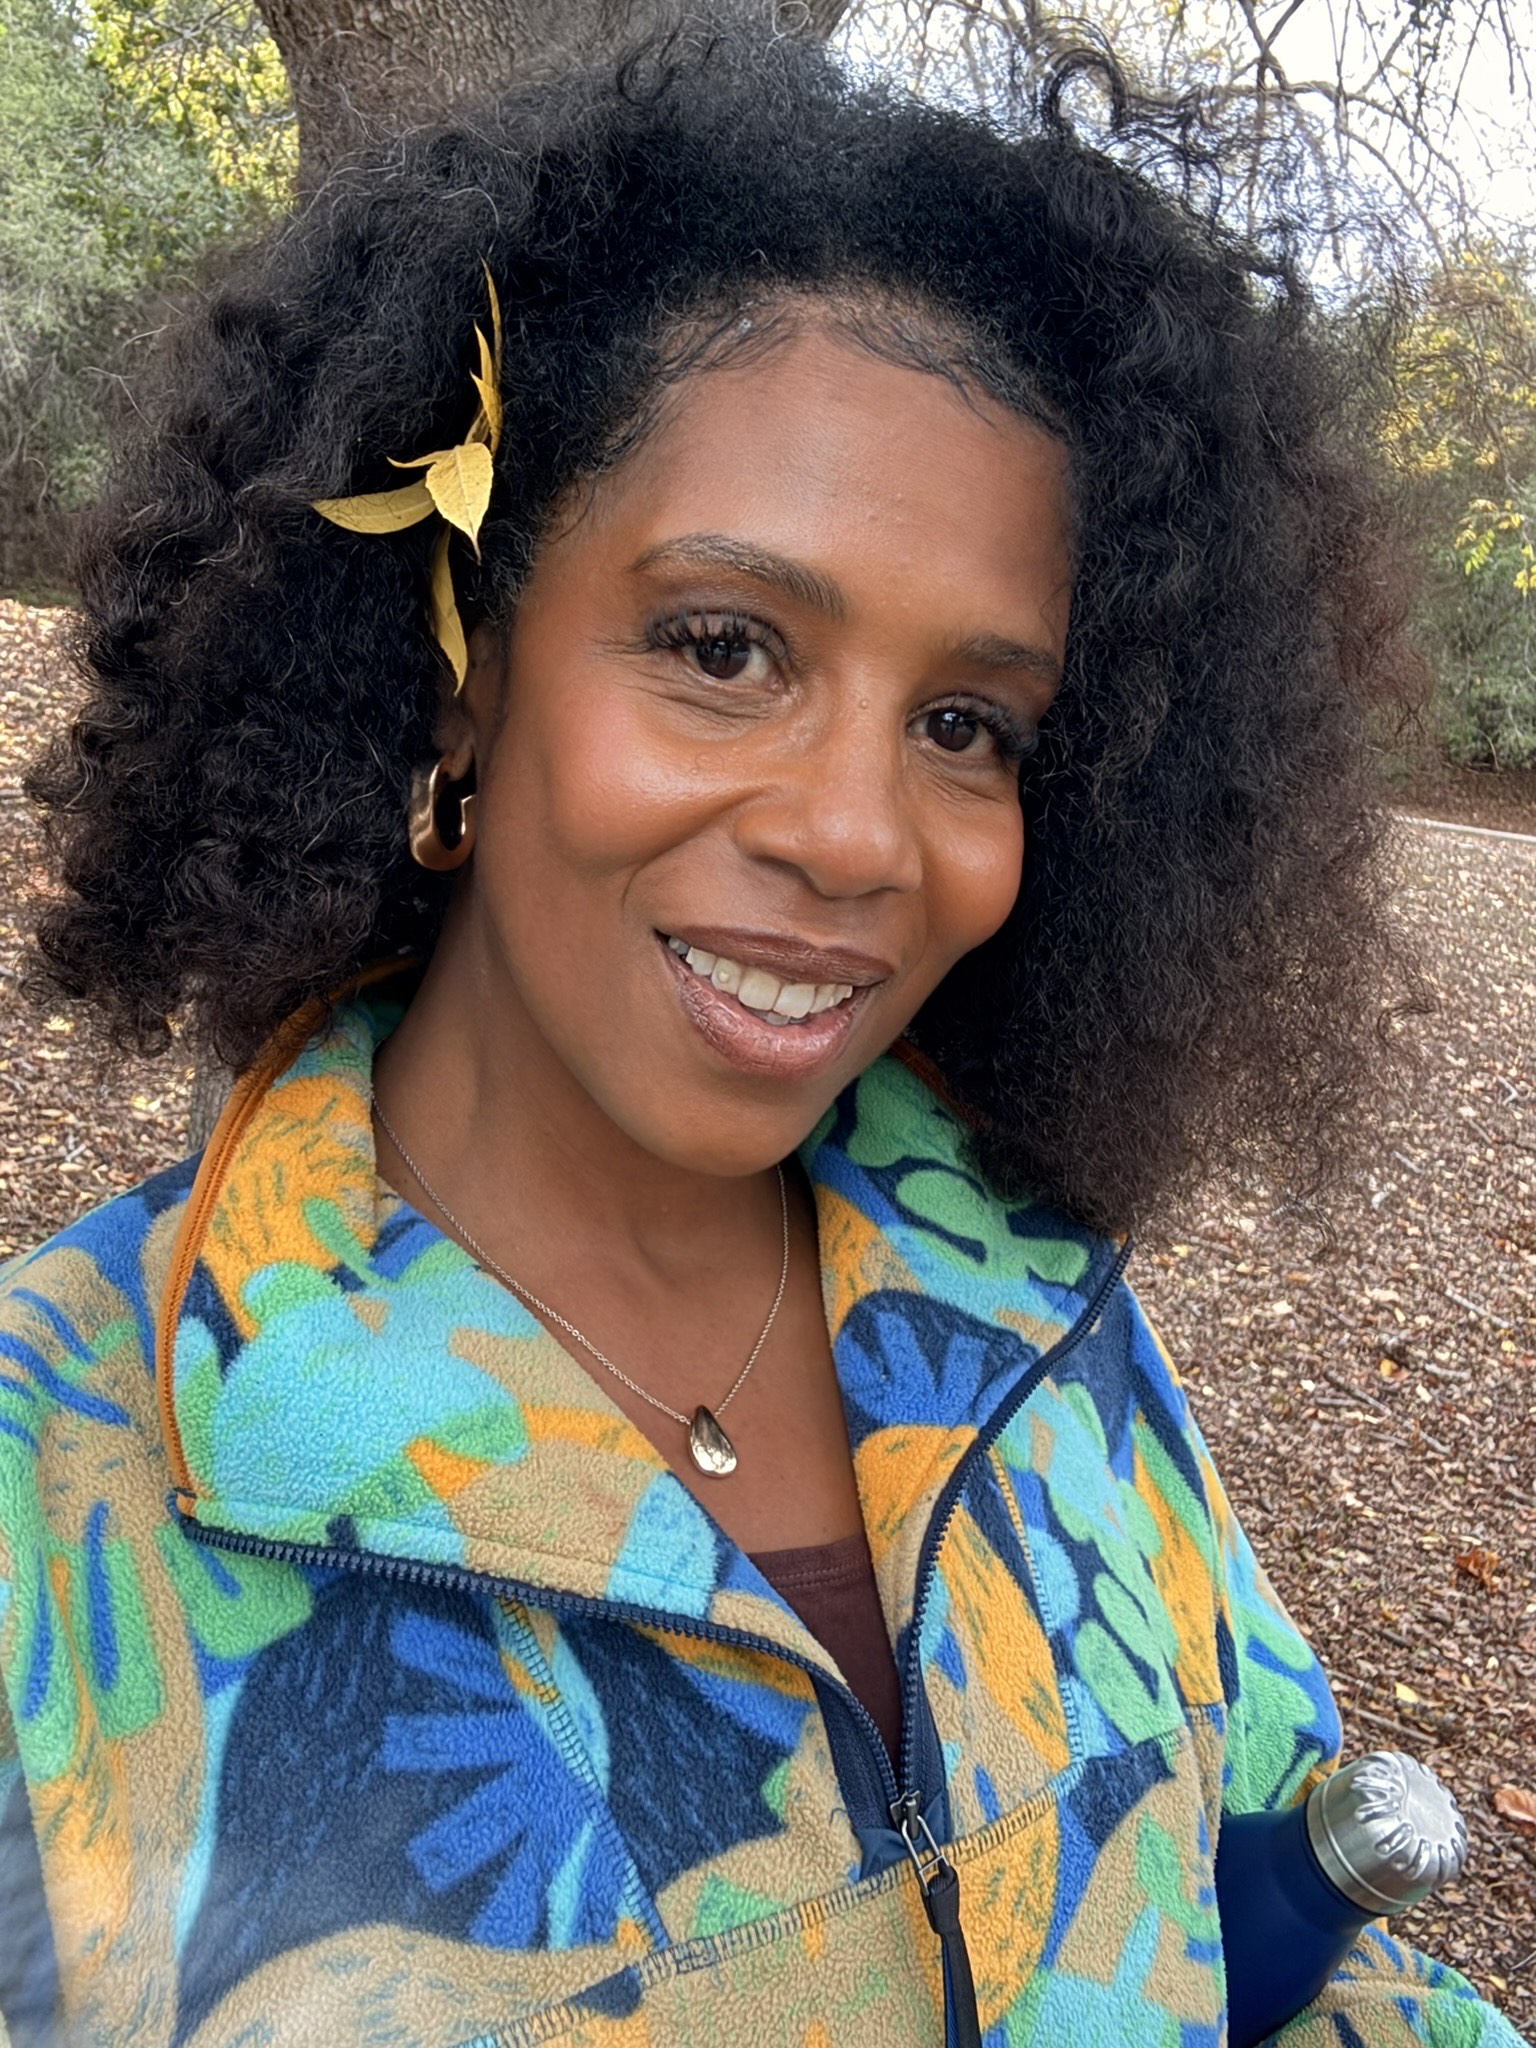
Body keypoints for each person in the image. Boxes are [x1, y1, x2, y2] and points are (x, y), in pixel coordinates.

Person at [0, 24, 1523, 2048]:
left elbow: (1281, 1921)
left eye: (967, 723)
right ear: (460, 675)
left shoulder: (1036, 1303)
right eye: (724, 648)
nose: (855, 833)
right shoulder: (61, 1486)